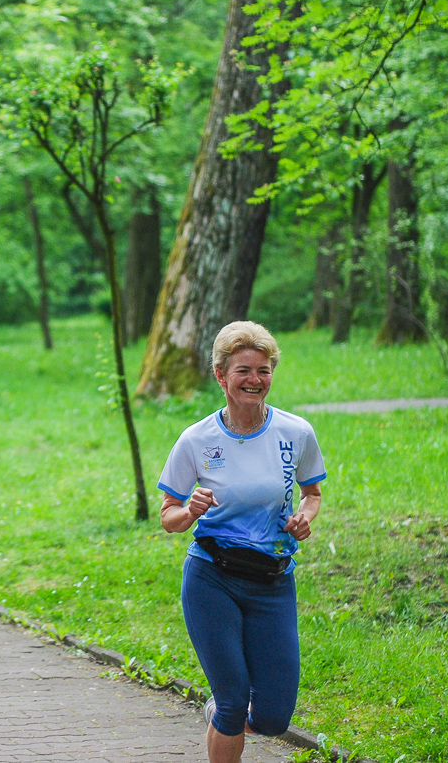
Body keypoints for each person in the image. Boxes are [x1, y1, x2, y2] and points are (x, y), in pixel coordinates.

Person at [157, 321, 326, 763]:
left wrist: (304, 519)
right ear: (220, 375)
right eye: (243, 371)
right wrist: (189, 511)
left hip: (273, 582)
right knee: (233, 701)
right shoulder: (196, 439)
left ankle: (218, 713)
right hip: (213, 578)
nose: (255, 380)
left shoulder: (296, 432)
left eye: (264, 370)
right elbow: (168, 516)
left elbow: (313, 493)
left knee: (272, 717)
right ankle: (224, 712)